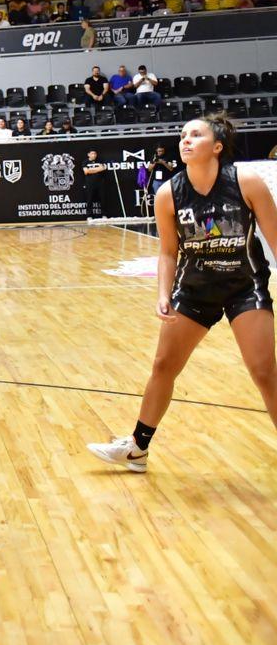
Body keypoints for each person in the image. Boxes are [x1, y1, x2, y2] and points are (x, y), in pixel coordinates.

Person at [87, 114, 276, 473]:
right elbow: (168, 252)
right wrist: (163, 294)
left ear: (217, 146)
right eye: (183, 135)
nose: (185, 140)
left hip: (244, 287)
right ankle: (137, 449)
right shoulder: (168, 193)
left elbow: (275, 237)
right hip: (193, 290)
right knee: (163, 366)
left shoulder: (246, 182)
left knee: (263, 370)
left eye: (196, 134)